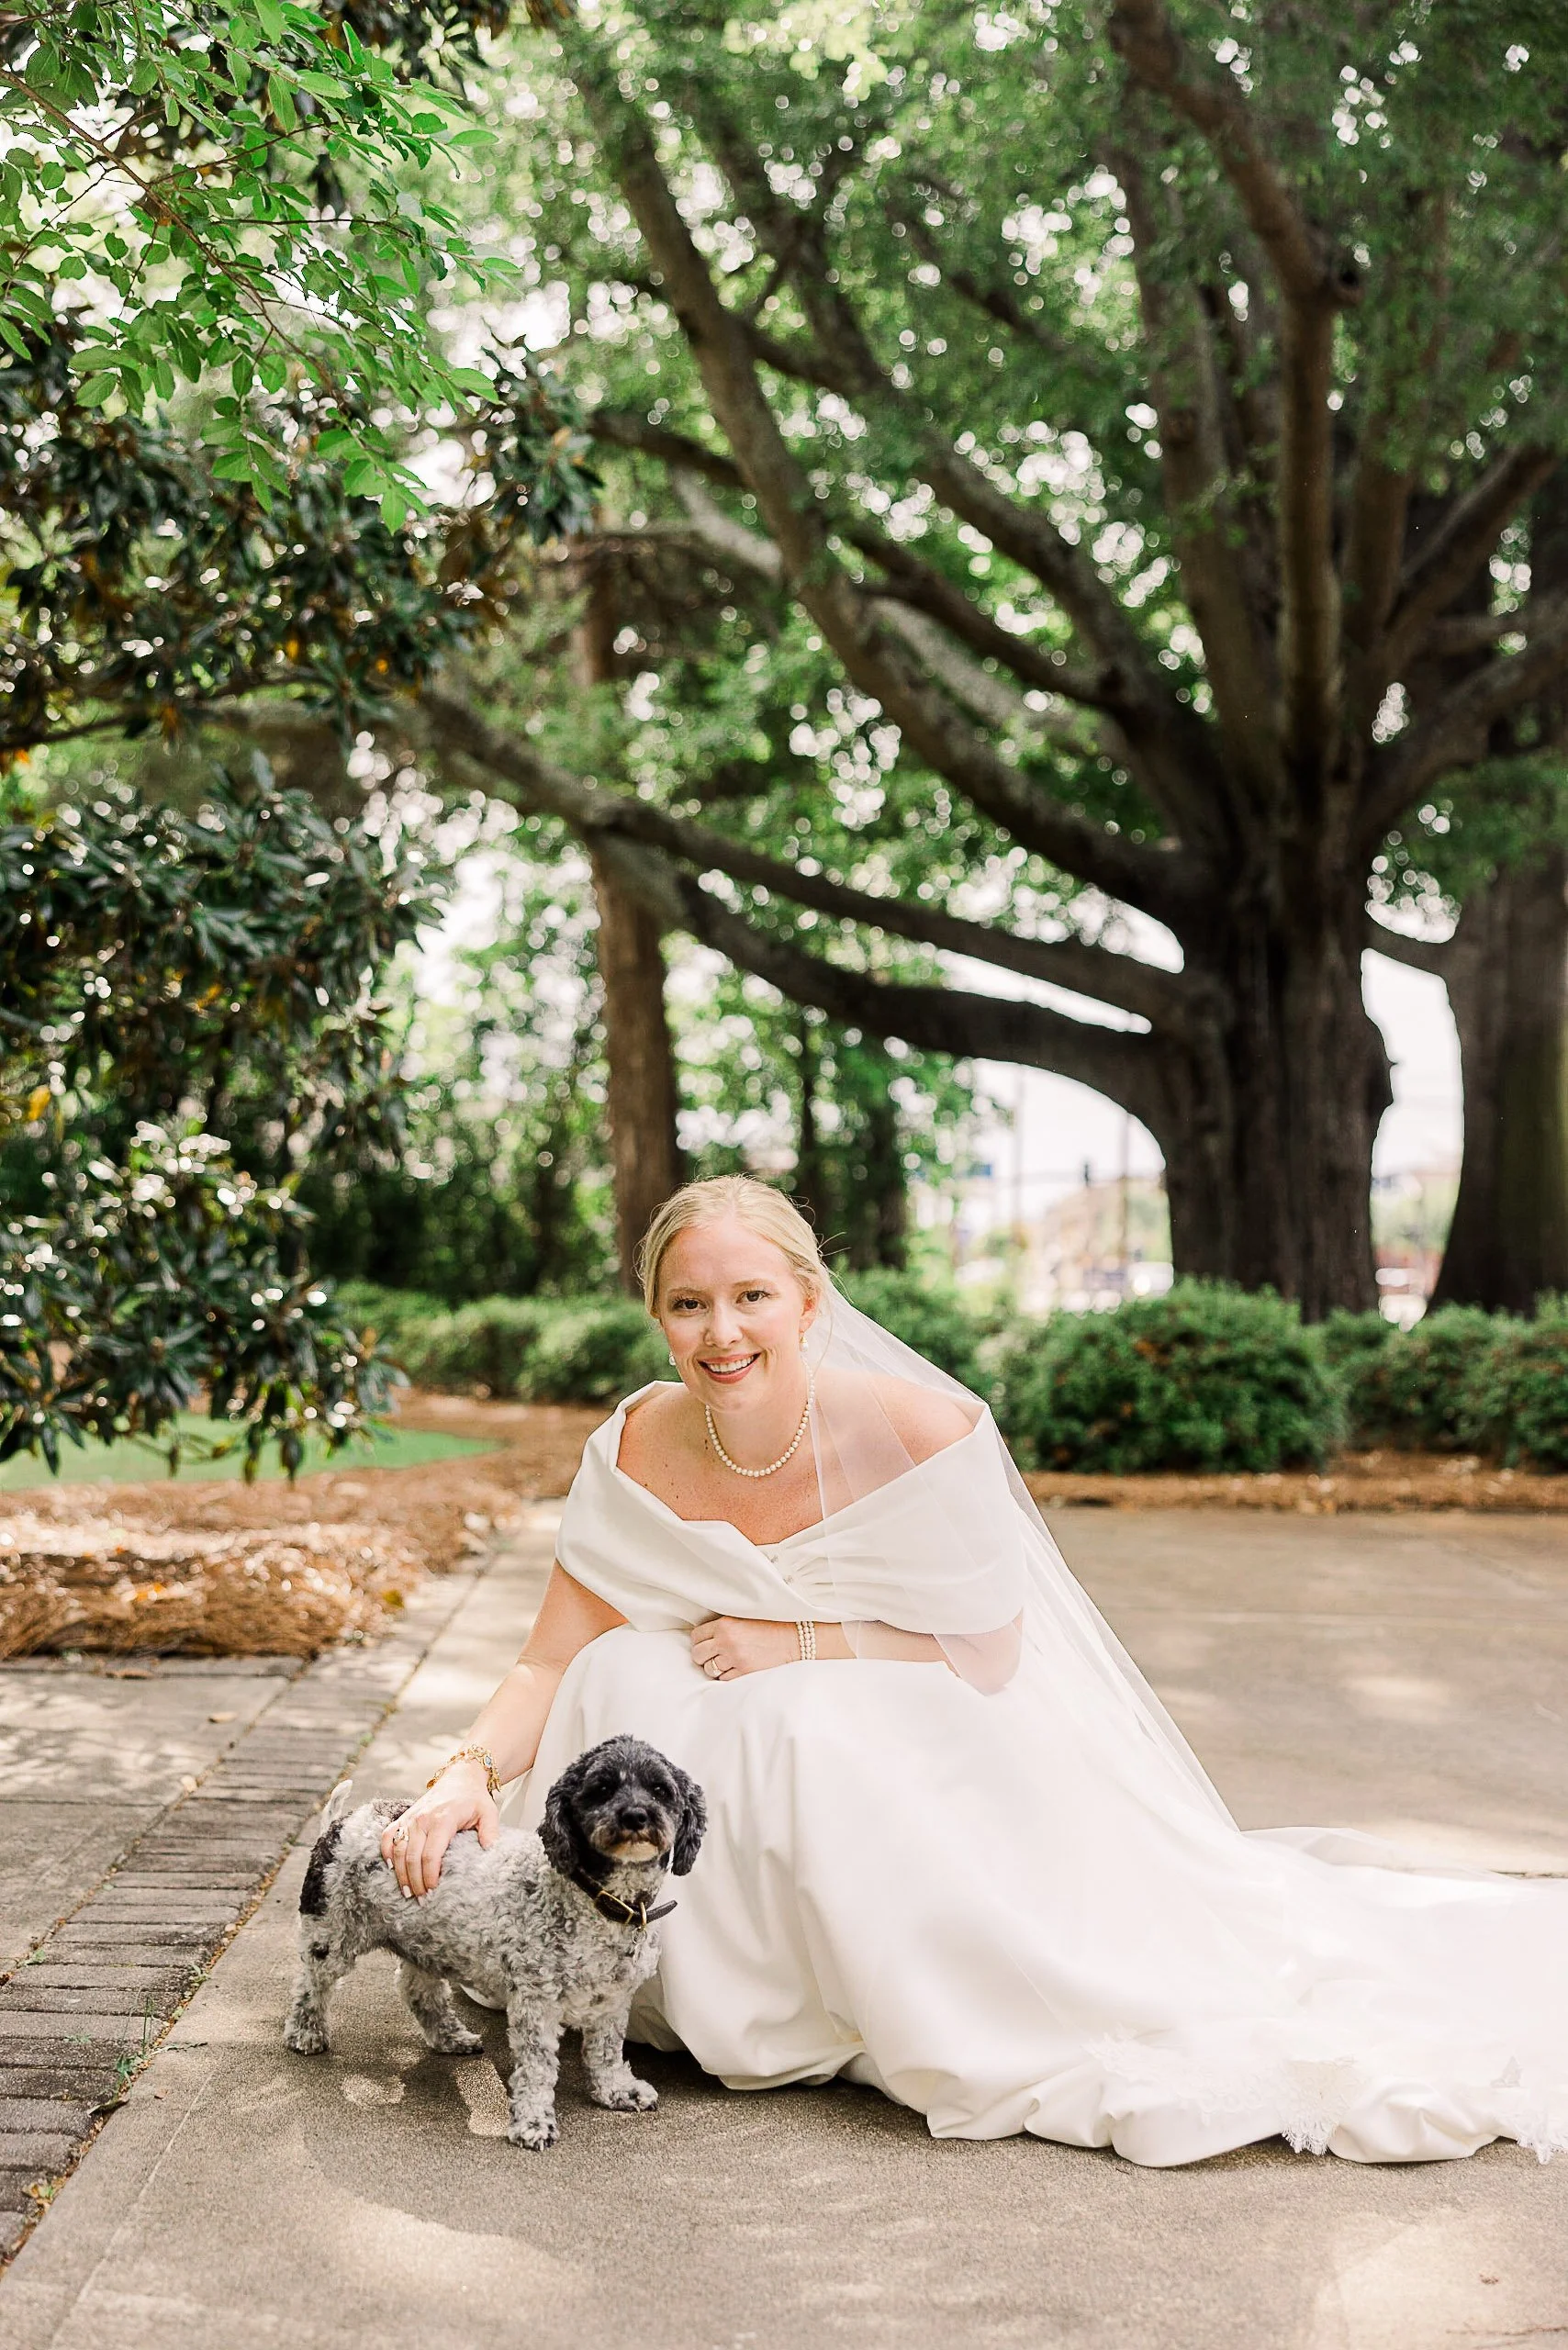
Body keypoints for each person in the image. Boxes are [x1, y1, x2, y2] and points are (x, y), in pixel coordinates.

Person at [381, 1176, 1568, 2165]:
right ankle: (674, 1988)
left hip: (912, 1703)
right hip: (712, 1755)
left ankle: (866, 1993)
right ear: (656, 1314)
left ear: (808, 1297)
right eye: (688, 1304)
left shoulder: (918, 1427)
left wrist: (796, 1644)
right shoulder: (636, 1443)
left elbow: (991, 1648)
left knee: (798, 1723)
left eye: (751, 1296)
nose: (721, 1331)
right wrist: (467, 1774)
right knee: (629, 1673)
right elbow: (551, 1655)